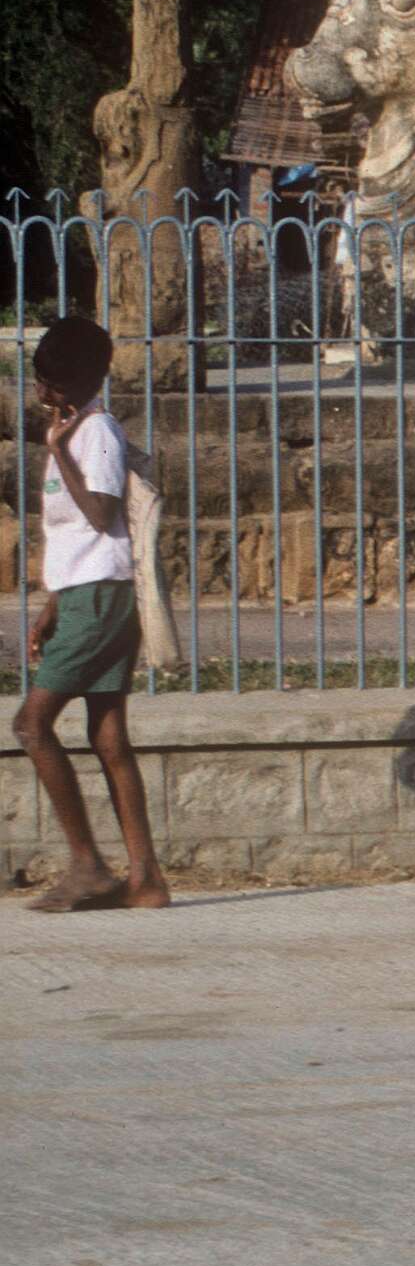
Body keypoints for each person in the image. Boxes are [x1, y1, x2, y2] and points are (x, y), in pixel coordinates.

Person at [14, 315, 166, 910]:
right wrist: (53, 605)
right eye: (40, 381)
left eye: (52, 384)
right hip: (84, 593)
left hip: (101, 597)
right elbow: (74, 536)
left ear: (83, 381)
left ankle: (87, 866)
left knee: (31, 726)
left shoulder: (96, 432)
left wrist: (60, 450)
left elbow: (102, 515)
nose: (43, 392)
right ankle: (146, 879)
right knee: (108, 737)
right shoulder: (76, 431)